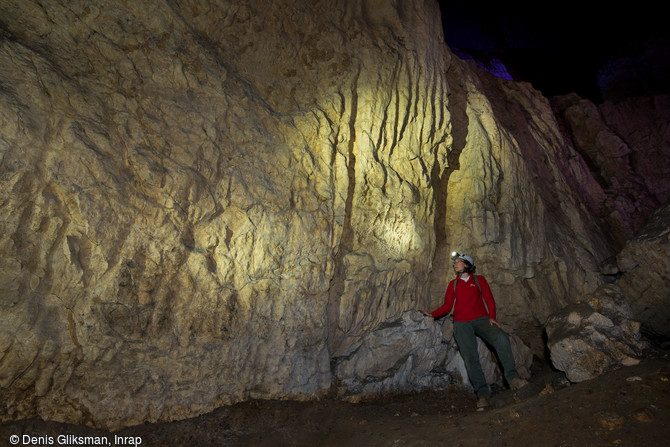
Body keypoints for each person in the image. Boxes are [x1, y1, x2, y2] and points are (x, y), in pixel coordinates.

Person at [422, 252, 528, 410]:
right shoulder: (454, 284)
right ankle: (483, 394)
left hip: (481, 319)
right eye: (455, 262)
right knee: (471, 357)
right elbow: (447, 305)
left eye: (458, 262)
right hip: (461, 323)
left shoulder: (479, 280)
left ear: (466, 265)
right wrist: (433, 314)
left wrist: (492, 317)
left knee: (501, 338)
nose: (455, 264)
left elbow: (489, 299)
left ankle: (512, 379)